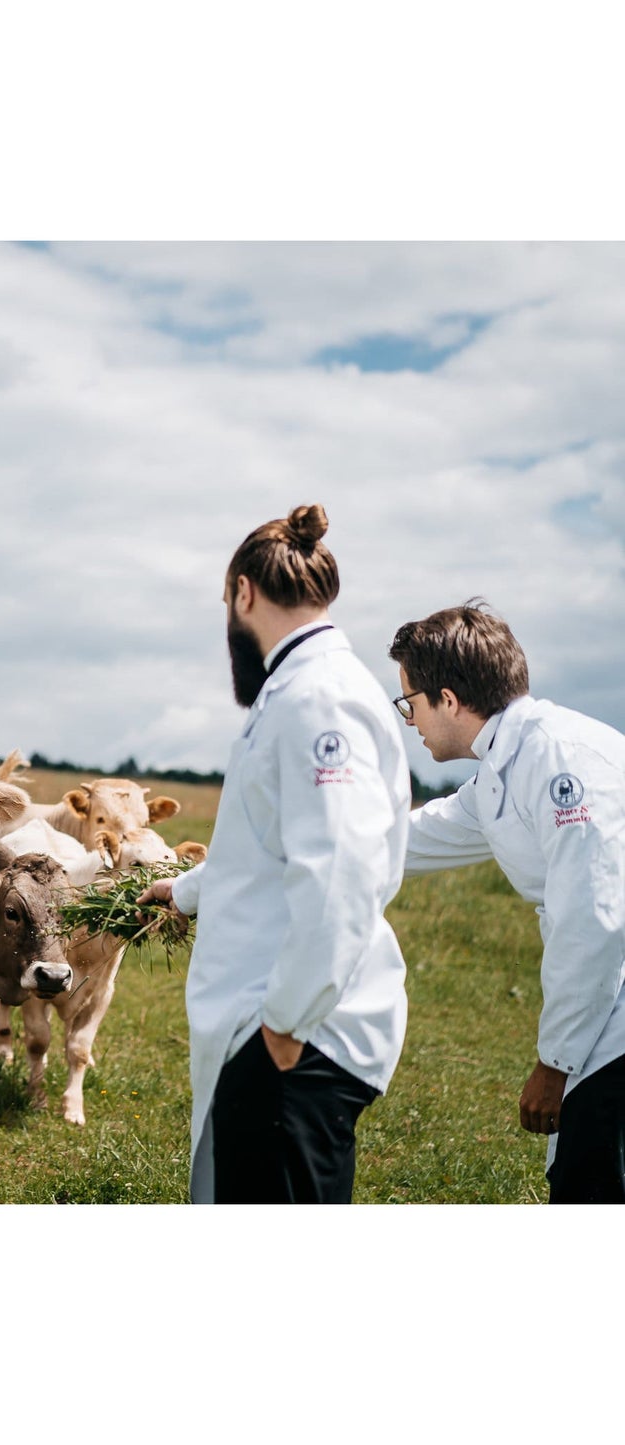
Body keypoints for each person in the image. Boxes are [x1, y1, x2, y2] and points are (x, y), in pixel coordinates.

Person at [141, 504, 411, 1203]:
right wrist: (185, 891)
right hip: (277, 1028)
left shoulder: (319, 698)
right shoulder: (298, 690)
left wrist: (285, 1024)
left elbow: (342, 869)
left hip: (294, 1039)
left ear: (242, 593)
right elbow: (270, 844)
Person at [390, 602, 625, 1203]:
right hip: (602, 1010)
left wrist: (554, 1063)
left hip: (615, 1017)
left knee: (593, 1183)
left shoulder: (559, 761)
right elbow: (406, 840)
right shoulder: (503, 767)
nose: (409, 722)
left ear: (447, 698)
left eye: (408, 703)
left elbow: (594, 919)